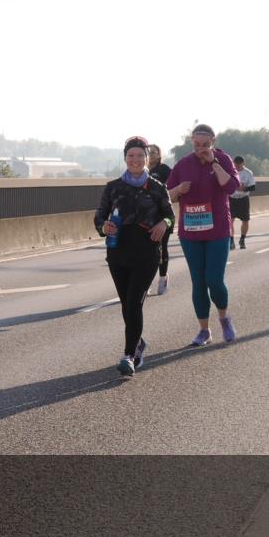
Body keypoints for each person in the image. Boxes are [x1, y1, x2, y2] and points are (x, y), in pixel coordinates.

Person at [94, 137, 174, 377]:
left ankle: (129, 355)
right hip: (118, 252)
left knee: (134, 302)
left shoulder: (157, 187)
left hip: (147, 252)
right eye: (131, 156)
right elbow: (99, 217)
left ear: (147, 158)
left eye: (140, 155)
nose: (136, 160)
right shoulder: (113, 187)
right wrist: (104, 226)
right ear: (125, 158)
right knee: (126, 304)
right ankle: (138, 342)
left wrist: (163, 224)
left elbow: (170, 216)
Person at [166, 124, 241, 346]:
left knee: (215, 280)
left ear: (213, 141)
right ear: (192, 142)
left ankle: (224, 318)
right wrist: (178, 189)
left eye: (205, 145)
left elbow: (231, 188)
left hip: (217, 230)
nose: (201, 149)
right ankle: (204, 330)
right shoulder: (182, 164)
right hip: (190, 232)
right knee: (198, 282)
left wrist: (214, 164)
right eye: (197, 145)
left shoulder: (223, 159)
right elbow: (166, 196)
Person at [147, 144, 173, 295]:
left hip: (163, 216)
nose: (150, 155)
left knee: (161, 248)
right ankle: (146, 281)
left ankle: (163, 277)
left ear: (159, 154)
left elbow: (172, 187)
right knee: (146, 251)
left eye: (153, 153)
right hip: (145, 217)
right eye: (148, 153)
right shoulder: (141, 169)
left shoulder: (164, 170)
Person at [229, 156, 255, 249]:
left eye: (239, 165)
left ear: (243, 164)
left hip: (243, 199)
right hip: (232, 198)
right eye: (236, 165)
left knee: (245, 220)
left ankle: (242, 239)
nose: (237, 167)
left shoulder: (248, 173)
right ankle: (231, 241)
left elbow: (253, 187)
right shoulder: (230, 171)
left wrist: (244, 188)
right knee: (230, 220)